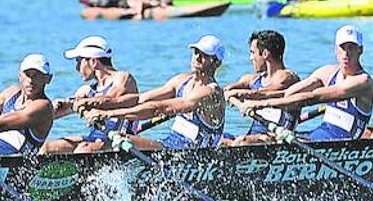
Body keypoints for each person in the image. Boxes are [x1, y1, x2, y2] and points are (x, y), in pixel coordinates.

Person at [85, 35, 226, 150]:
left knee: (124, 140)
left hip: (195, 156)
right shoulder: (181, 81)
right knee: (121, 139)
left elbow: (159, 108)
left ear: (216, 63)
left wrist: (109, 114)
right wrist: (97, 106)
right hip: (169, 147)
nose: (197, 58)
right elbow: (140, 100)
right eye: (196, 52)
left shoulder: (210, 93)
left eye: (205, 55)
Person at [236, 25, 373, 142]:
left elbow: (312, 98)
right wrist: (252, 96)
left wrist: (260, 104)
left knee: (266, 141)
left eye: (352, 47)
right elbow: (288, 93)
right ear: (335, 50)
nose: (346, 53)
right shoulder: (326, 72)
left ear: (360, 50)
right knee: (260, 139)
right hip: (320, 135)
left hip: (343, 145)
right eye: (343, 47)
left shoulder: (363, 82)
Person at [44, 35, 140, 154]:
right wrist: (49, 111)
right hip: (94, 140)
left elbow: (111, 100)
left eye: (79, 61)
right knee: (48, 147)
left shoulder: (123, 78)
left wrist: (85, 102)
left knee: (83, 149)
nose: (76, 67)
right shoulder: (86, 90)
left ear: (93, 61)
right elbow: (63, 111)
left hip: (120, 141)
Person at [222, 30, 300, 145]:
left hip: (277, 138)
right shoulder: (255, 79)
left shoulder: (288, 77)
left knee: (242, 141)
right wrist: (227, 91)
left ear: (264, 54)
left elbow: (265, 93)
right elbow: (228, 89)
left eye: (253, 53)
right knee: (220, 140)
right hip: (254, 136)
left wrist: (241, 94)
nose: (250, 58)